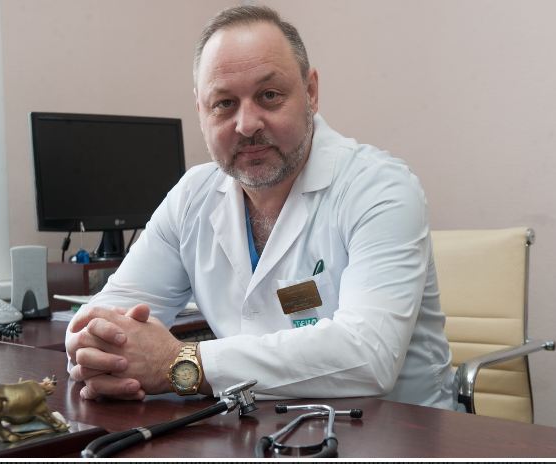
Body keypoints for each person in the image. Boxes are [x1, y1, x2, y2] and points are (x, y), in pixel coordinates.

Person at [65, 5, 455, 409]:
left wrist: (179, 364)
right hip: (257, 428)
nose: (247, 124)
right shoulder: (192, 197)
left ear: (311, 93)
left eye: (269, 96)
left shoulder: (378, 187)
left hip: (398, 429)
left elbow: (368, 357)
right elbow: (102, 316)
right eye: (224, 103)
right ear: (200, 111)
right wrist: (91, 349)